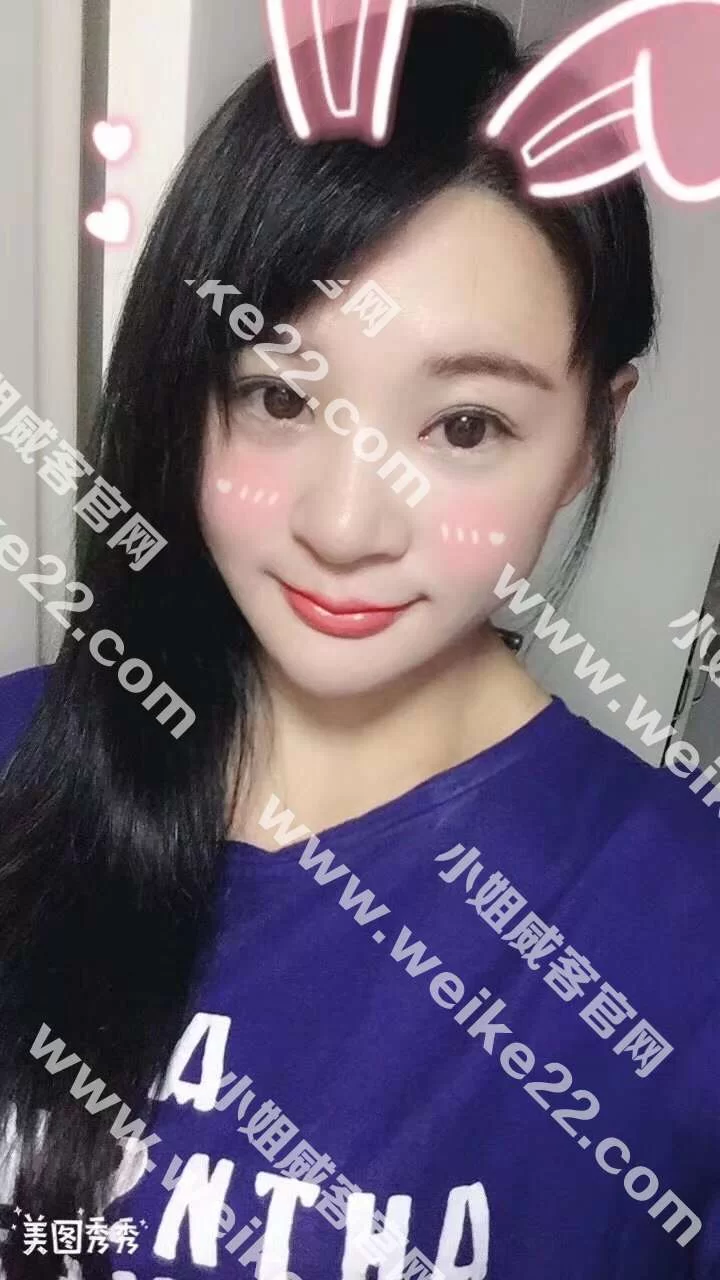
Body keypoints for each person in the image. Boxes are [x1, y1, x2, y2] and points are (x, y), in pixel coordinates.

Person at [0, 3, 717, 1278]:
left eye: (465, 427)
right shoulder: (23, 747)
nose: (342, 525)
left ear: (589, 438)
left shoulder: (681, 931)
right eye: (279, 396)